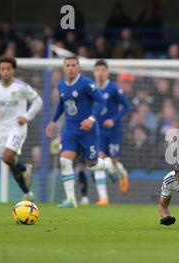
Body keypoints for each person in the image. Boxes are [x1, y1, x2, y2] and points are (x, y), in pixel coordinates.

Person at [45, 56, 115, 208]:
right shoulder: (61, 85)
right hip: (70, 130)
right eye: (67, 65)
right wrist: (53, 120)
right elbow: (61, 105)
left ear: (78, 68)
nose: (70, 68)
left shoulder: (85, 83)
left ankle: (107, 164)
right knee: (65, 160)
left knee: (92, 164)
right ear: (64, 68)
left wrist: (91, 118)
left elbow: (101, 101)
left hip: (88, 130)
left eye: (73, 65)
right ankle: (71, 199)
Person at [0, 56, 42, 201]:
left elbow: (38, 101)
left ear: (13, 70)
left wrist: (26, 116)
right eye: (2, 69)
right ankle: (27, 192)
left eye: (8, 68)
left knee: (8, 156)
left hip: (17, 127)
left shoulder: (21, 87)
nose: (5, 71)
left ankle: (25, 168)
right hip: (2, 129)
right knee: (8, 161)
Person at [93, 59, 131, 205]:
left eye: (103, 70)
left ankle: (123, 174)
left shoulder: (113, 88)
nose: (100, 73)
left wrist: (113, 120)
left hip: (114, 131)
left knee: (114, 162)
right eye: (98, 70)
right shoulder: (91, 88)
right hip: (98, 131)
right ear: (94, 72)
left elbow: (127, 106)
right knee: (98, 161)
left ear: (107, 72)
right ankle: (103, 197)